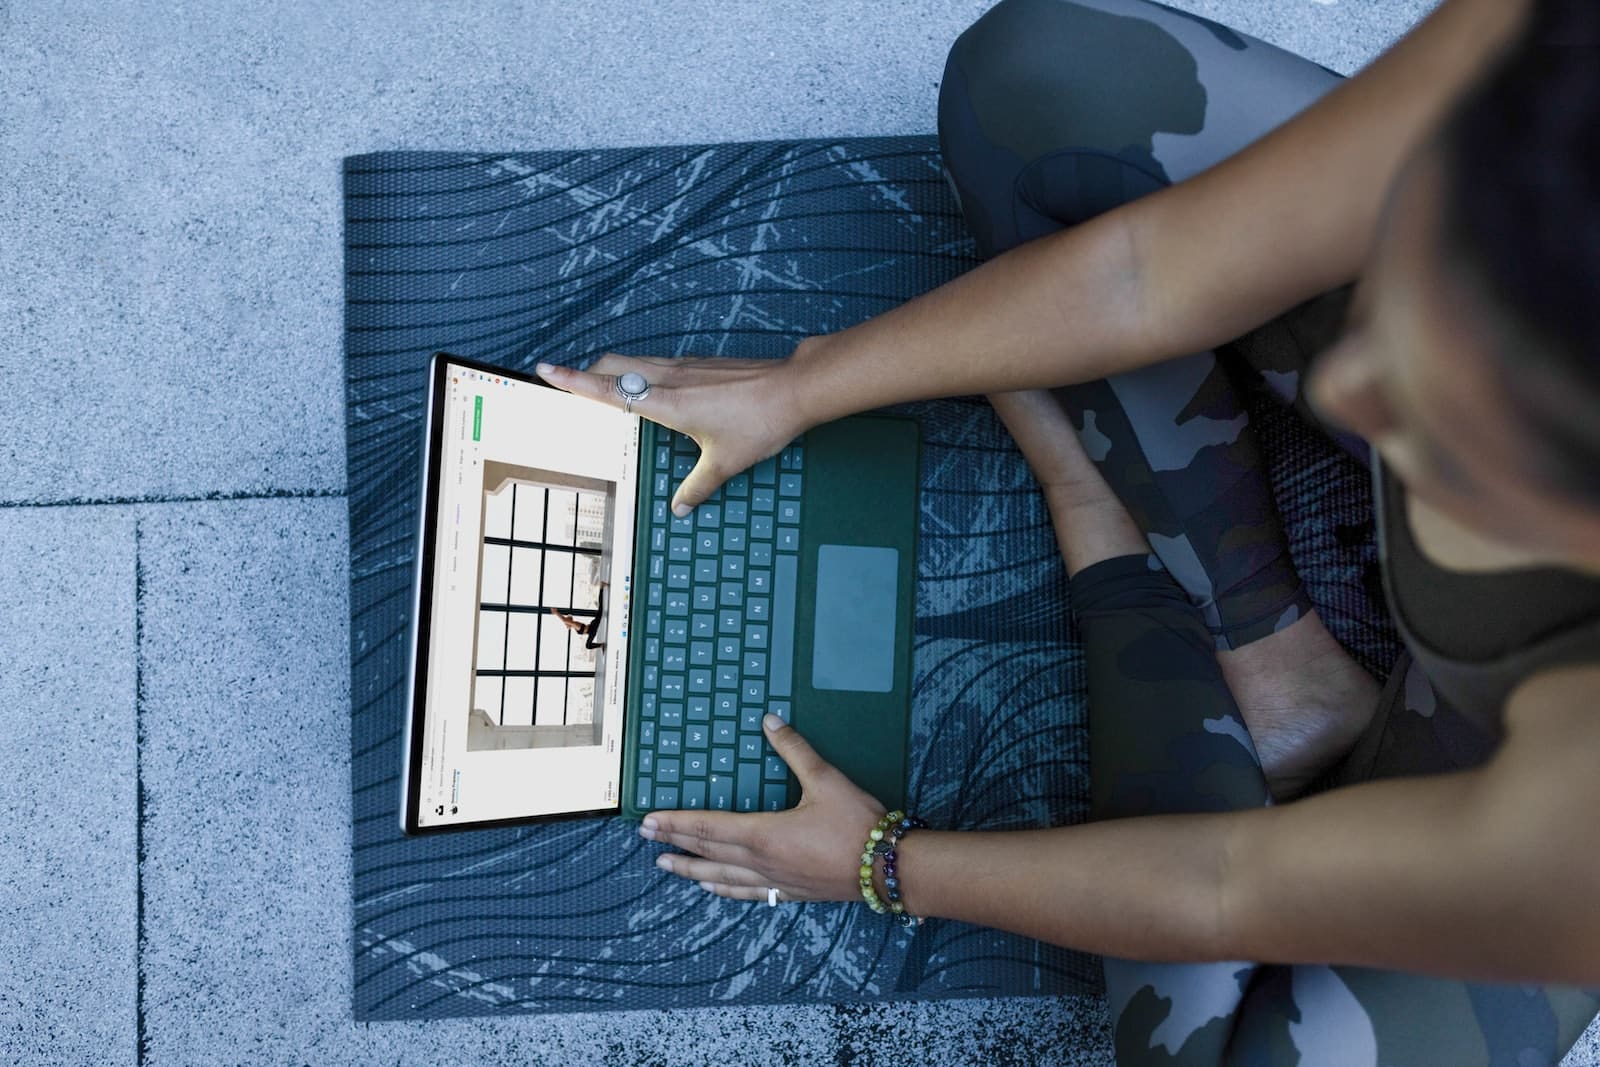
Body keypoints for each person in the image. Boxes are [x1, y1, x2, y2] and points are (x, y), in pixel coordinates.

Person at [538, 0, 1600, 1061]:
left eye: (1458, 431)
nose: (1348, 387)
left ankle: (1113, 526)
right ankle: (1270, 651)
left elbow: (1224, 885)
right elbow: (1146, 273)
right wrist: (802, 386)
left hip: (1524, 768)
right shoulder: (1546, 49)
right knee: (1033, 78)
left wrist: (882, 862)